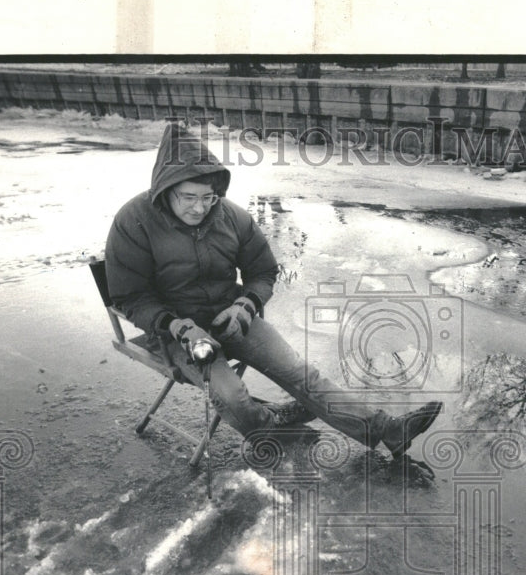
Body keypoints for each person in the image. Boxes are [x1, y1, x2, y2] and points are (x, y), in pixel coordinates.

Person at [105, 122, 442, 458]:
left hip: (230, 319)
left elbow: (262, 271)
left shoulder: (231, 217)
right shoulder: (133, 222)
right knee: (232, 396)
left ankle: (387, 430)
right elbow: (130, 297)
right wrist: (179, 328)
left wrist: (244, 307)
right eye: (189, 198)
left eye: (208, 197)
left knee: (300, 373)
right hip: (174, 334)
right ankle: (272, 426)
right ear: (166, 190)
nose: (199, 207)